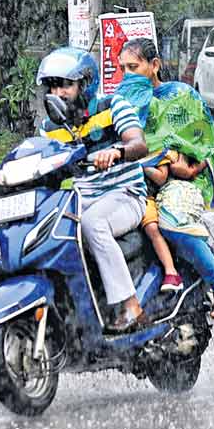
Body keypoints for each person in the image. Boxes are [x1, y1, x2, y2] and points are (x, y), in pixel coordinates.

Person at [116, 38, 214, 319]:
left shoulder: (181, 97)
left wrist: (176, 160)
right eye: (123, 69)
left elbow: (202, 146)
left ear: (154, 65)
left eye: (134, 67)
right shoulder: (121, 103)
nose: (128, 75)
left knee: (171, 224)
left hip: (180, 183)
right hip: (132, 180)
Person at [37, 47, 150, 332]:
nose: (57, 93)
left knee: (93, 223)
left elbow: (138, 143)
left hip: (125, 195)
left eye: (65, 85)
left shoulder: (112, 106)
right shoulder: (49, 127)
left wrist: (116, 151)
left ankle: (131, 306)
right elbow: (41, 164)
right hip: (81, 199)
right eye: (52, 86)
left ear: (85, 84)